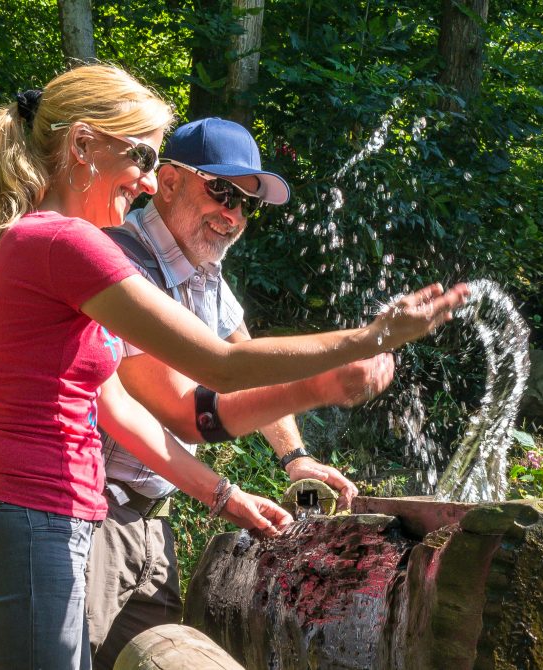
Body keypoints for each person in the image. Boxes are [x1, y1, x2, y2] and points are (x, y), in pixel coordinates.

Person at [0, 63, 468, 670]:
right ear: (82, 144)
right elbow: (222, 367)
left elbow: (121, 412)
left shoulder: (53, 246)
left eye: (246, 203)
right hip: (28, 520)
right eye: (139, 157)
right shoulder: (70, 244)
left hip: (39, 523)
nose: (141, 181)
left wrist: (237, 490)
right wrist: (366, 341)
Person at [83, 118, 370, 668]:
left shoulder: (206, 272)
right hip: (98, 514)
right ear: (167, 181)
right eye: (221, 191)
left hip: (152, 519)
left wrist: (296, 458)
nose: (232, 214)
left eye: (246, 204)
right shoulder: (121, 262)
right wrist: (324, 383)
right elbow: (185, 410)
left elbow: (250, 367)